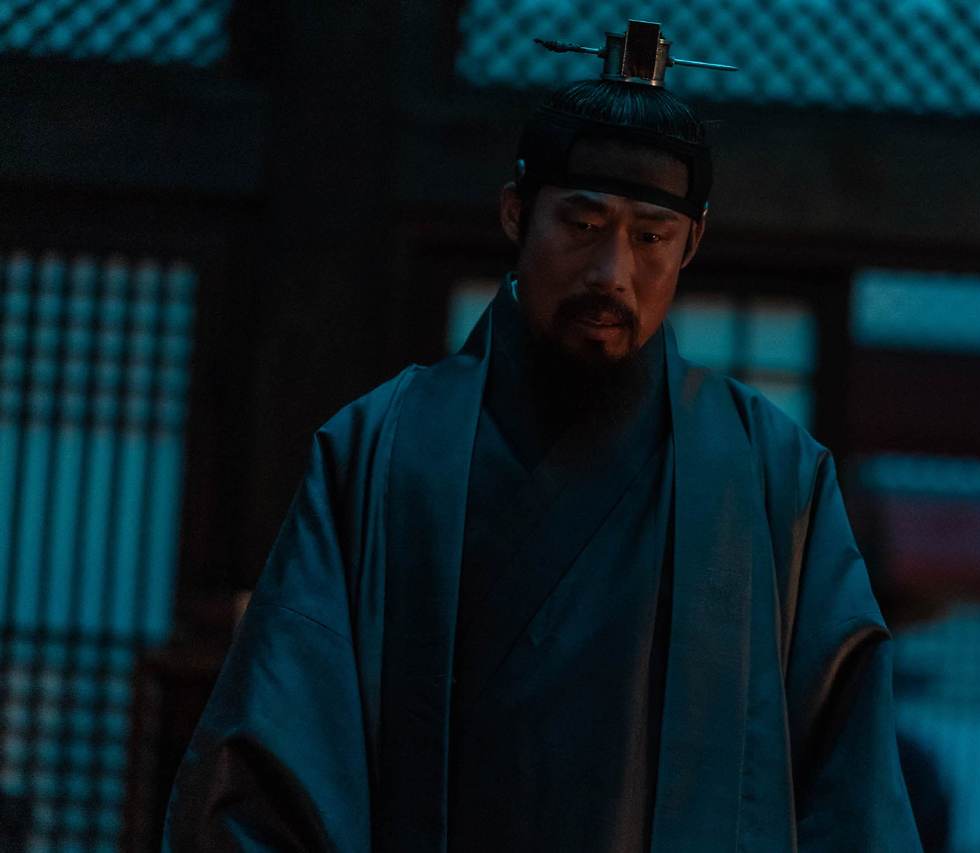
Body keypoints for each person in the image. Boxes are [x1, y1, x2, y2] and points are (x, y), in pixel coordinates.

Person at [164, 20, 921, 852]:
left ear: (692, 244)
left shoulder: (774, 477)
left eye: (650, 237)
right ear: (516, 213)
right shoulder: (382, 451)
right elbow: (273, 758)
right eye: (583, 225)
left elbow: (852, 790)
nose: (611, 273)